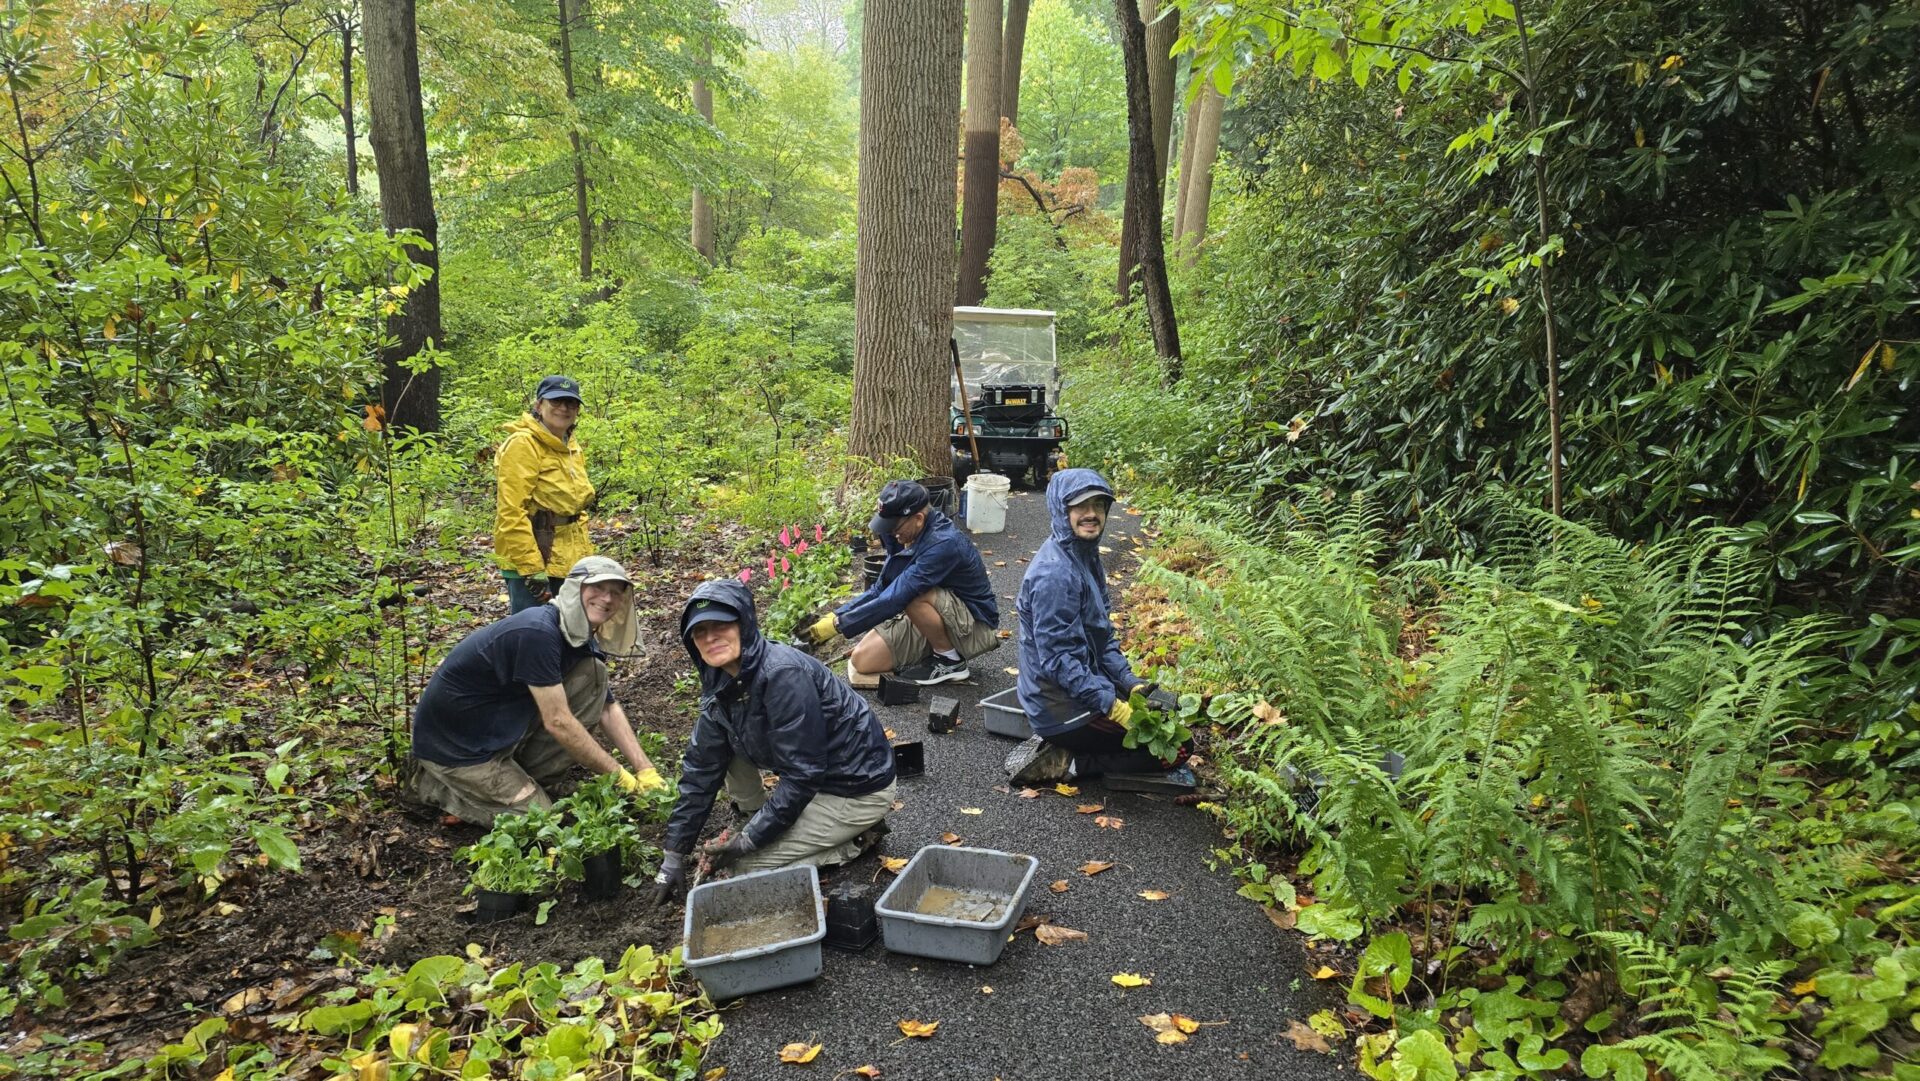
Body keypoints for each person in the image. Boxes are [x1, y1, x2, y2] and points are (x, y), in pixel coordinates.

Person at [652, 579, 897, 904]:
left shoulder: (782, 675)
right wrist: (674, 853)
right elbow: (701, 768)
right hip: (813, 777)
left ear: (744, 624)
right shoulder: (720, 683)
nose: (710, 638)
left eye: (720, 625)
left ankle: (856, 839)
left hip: (854, 787)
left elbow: (803, 774)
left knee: (736, 870)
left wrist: (750, 840)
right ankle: (755, 816)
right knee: (720, 741)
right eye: (700, 631)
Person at [411, 555, 664, 825]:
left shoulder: (579, 633)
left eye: (615, 593)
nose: (607, 599)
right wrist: (620, 777)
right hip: (459, 748)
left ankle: (527, 779)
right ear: (574, 589)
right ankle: (435, 787)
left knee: (594, 672)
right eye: (597, 588)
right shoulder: (537, 632)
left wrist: (644, 768)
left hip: (501, 729)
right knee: (543, 821)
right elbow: (559, 722)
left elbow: (606, 707)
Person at [1008, 468, 1194, 790]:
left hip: (1079, 688)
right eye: (1081, 506)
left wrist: (1128, 682)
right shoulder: (1055, 575)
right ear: (1061, 510)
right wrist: (1112, 705)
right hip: (1060, 707)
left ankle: (1080, 745)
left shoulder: (1085, 556)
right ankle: (1071, 763)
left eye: (1099, 504)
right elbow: (1058, 662)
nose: (1091, 514)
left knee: (1167, 710)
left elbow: (1101, 636)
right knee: (1178, 749)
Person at [805, 479, 998, 685]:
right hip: (936, 614)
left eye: (894, 527)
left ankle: (949, 661)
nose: (891, 533)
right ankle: (933, 648)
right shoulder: (902, 535)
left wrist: (840, 625)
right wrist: (836, 616)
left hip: (973, 625)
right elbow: (883, 587)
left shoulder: (944, 544)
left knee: (912, 595)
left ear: (918, 518)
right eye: (886, 527)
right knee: (862, 660)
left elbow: (897, 596)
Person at [495, 375, 595, 613]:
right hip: (533, 558)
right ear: (539, 405)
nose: (564, 408)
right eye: (556, 401)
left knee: (571, 633)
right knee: (536, 635)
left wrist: (585, 556)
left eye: (571, 403)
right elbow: (511, 511)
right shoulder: (524, 444)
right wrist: (531, 568)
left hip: (568, 557)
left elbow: (573, 506)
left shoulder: (569, 445)